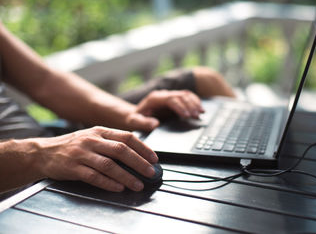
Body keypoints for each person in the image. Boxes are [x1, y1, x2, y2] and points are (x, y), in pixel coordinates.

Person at [0, 21, 235, 197]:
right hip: (20, 175)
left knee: (200, 82)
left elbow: (44, 82)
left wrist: (128, 114)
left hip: (48, 141)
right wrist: (38, 155)